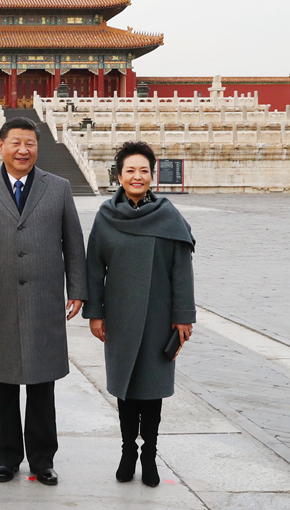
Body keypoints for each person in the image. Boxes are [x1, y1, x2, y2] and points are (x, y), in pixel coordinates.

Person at [0, 116, 87, 486]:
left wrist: (77, 289)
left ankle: (43, 459)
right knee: (2, 382)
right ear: (0, 146)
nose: (23, 150)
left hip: (44, 297)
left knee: (42, 382)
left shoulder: (58, 187)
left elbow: (73, 244)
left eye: (30, 143)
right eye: (15, 143)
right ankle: (5, 457)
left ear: (37, 147)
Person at [83, 141, 195, 488]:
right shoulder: (106, 216)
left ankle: (149, 454)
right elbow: (93, 269)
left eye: (143, 170)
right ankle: (127, 451)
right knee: (126, 388)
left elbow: (181, 270)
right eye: (130, 170)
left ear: (151, 175)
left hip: (159, 316)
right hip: (120, 316)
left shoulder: (168, 216)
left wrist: (183, 315)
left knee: (152, 389)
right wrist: (96, 313)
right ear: (119, 175)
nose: (137, 176)